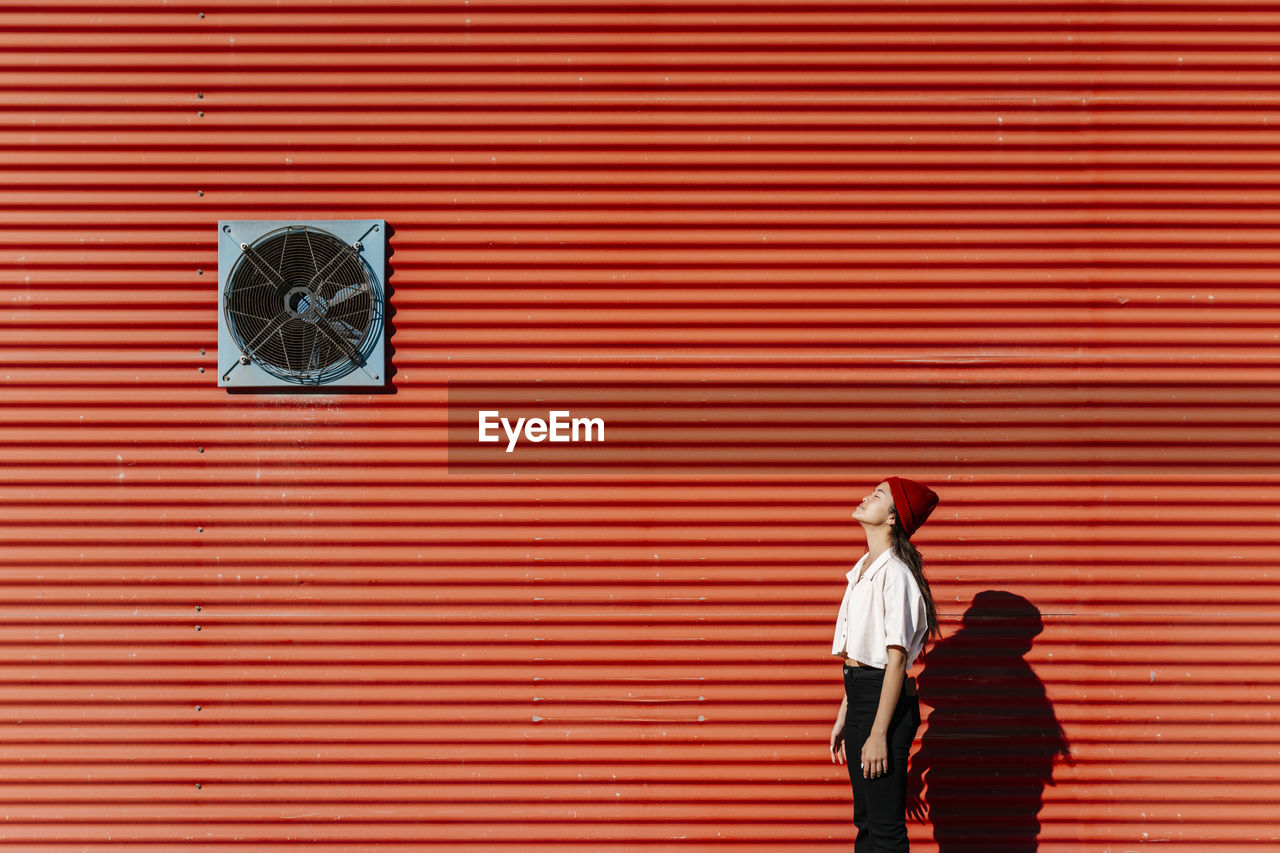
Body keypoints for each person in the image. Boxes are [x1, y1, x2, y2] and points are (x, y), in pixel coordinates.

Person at [829, 477, 942, 852]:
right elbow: (861, 652)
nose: (865, 497)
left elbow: (895, 663)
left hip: (883, 703)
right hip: (863, 697)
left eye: (877, 495)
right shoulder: (862, 571)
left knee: (885, 830)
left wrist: (879, 733)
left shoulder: (895, 575)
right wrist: (846, 712)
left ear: (893, 518)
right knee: (866, 823)